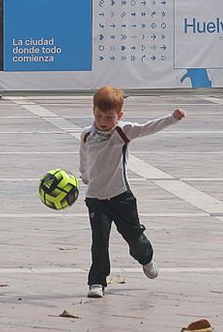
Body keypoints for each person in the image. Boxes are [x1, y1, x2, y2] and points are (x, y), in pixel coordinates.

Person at [79, 85, 185, 299]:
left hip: (121, 196)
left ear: (119, 115)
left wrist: (172, 118)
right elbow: (84, 157)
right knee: (99, 241)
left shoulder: (123, 131)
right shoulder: (87, 135)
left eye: (109, 117)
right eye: (99, 115)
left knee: (134, 238)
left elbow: (149, 127)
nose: (103, 121)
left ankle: (146, 258)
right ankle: (97, 281)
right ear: (93, 111)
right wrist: (85, 175)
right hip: (96, 198)